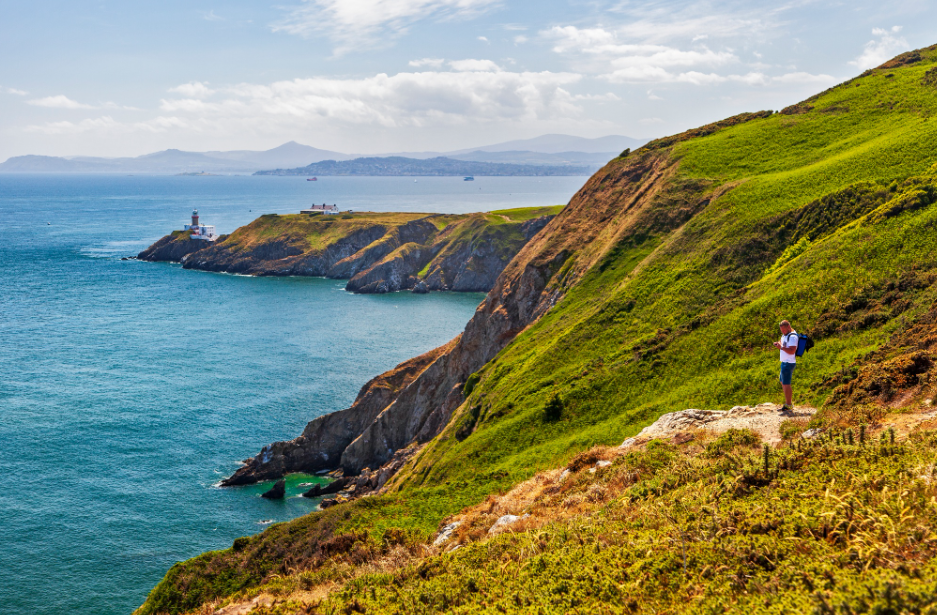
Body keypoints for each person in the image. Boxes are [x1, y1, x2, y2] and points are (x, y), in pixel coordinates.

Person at [773, 320, 798, 413]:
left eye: (784, 330)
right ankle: (788, 403)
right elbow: (782, 339)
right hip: (784, 362)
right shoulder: (786, 335)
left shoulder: (792, 337)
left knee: (786, 383)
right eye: (781, 330)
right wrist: (778, 343)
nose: (782, 332)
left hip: (789, 363)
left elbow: (792, 351)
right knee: (782, 381)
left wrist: (781, 348)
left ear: (788, 327)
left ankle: (788, 405)